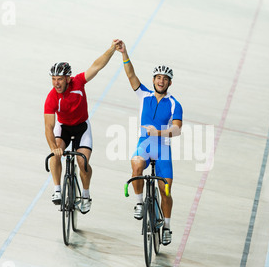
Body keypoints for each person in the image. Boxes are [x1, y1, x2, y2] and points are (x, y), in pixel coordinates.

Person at [116, 41, 183, 245]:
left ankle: (168, 227)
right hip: (145, 145)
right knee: (136, 163)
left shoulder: (174, 104)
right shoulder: (144, 95)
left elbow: (177, 129)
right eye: (158, 77)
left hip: (162, 149)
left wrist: (159, 131)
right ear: (153, 79)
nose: (161, 81)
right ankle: (139, 204)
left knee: (166, 191)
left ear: (170, 83)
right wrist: (125, 53)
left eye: (165, 79)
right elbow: (130, 75)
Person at [44, 39, 121, 214]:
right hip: (64, 128)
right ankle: (57, 190)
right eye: (54, 79)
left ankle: (85, 196)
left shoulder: (78, 82)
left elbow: (97, 66)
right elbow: (49, 127)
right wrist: (54, 148)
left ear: (68, 78)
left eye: (60, 79)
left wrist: (111, 49)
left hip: (81, 128)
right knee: (54, 156)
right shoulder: (51, 97)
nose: (56, 83)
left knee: (82, 162)